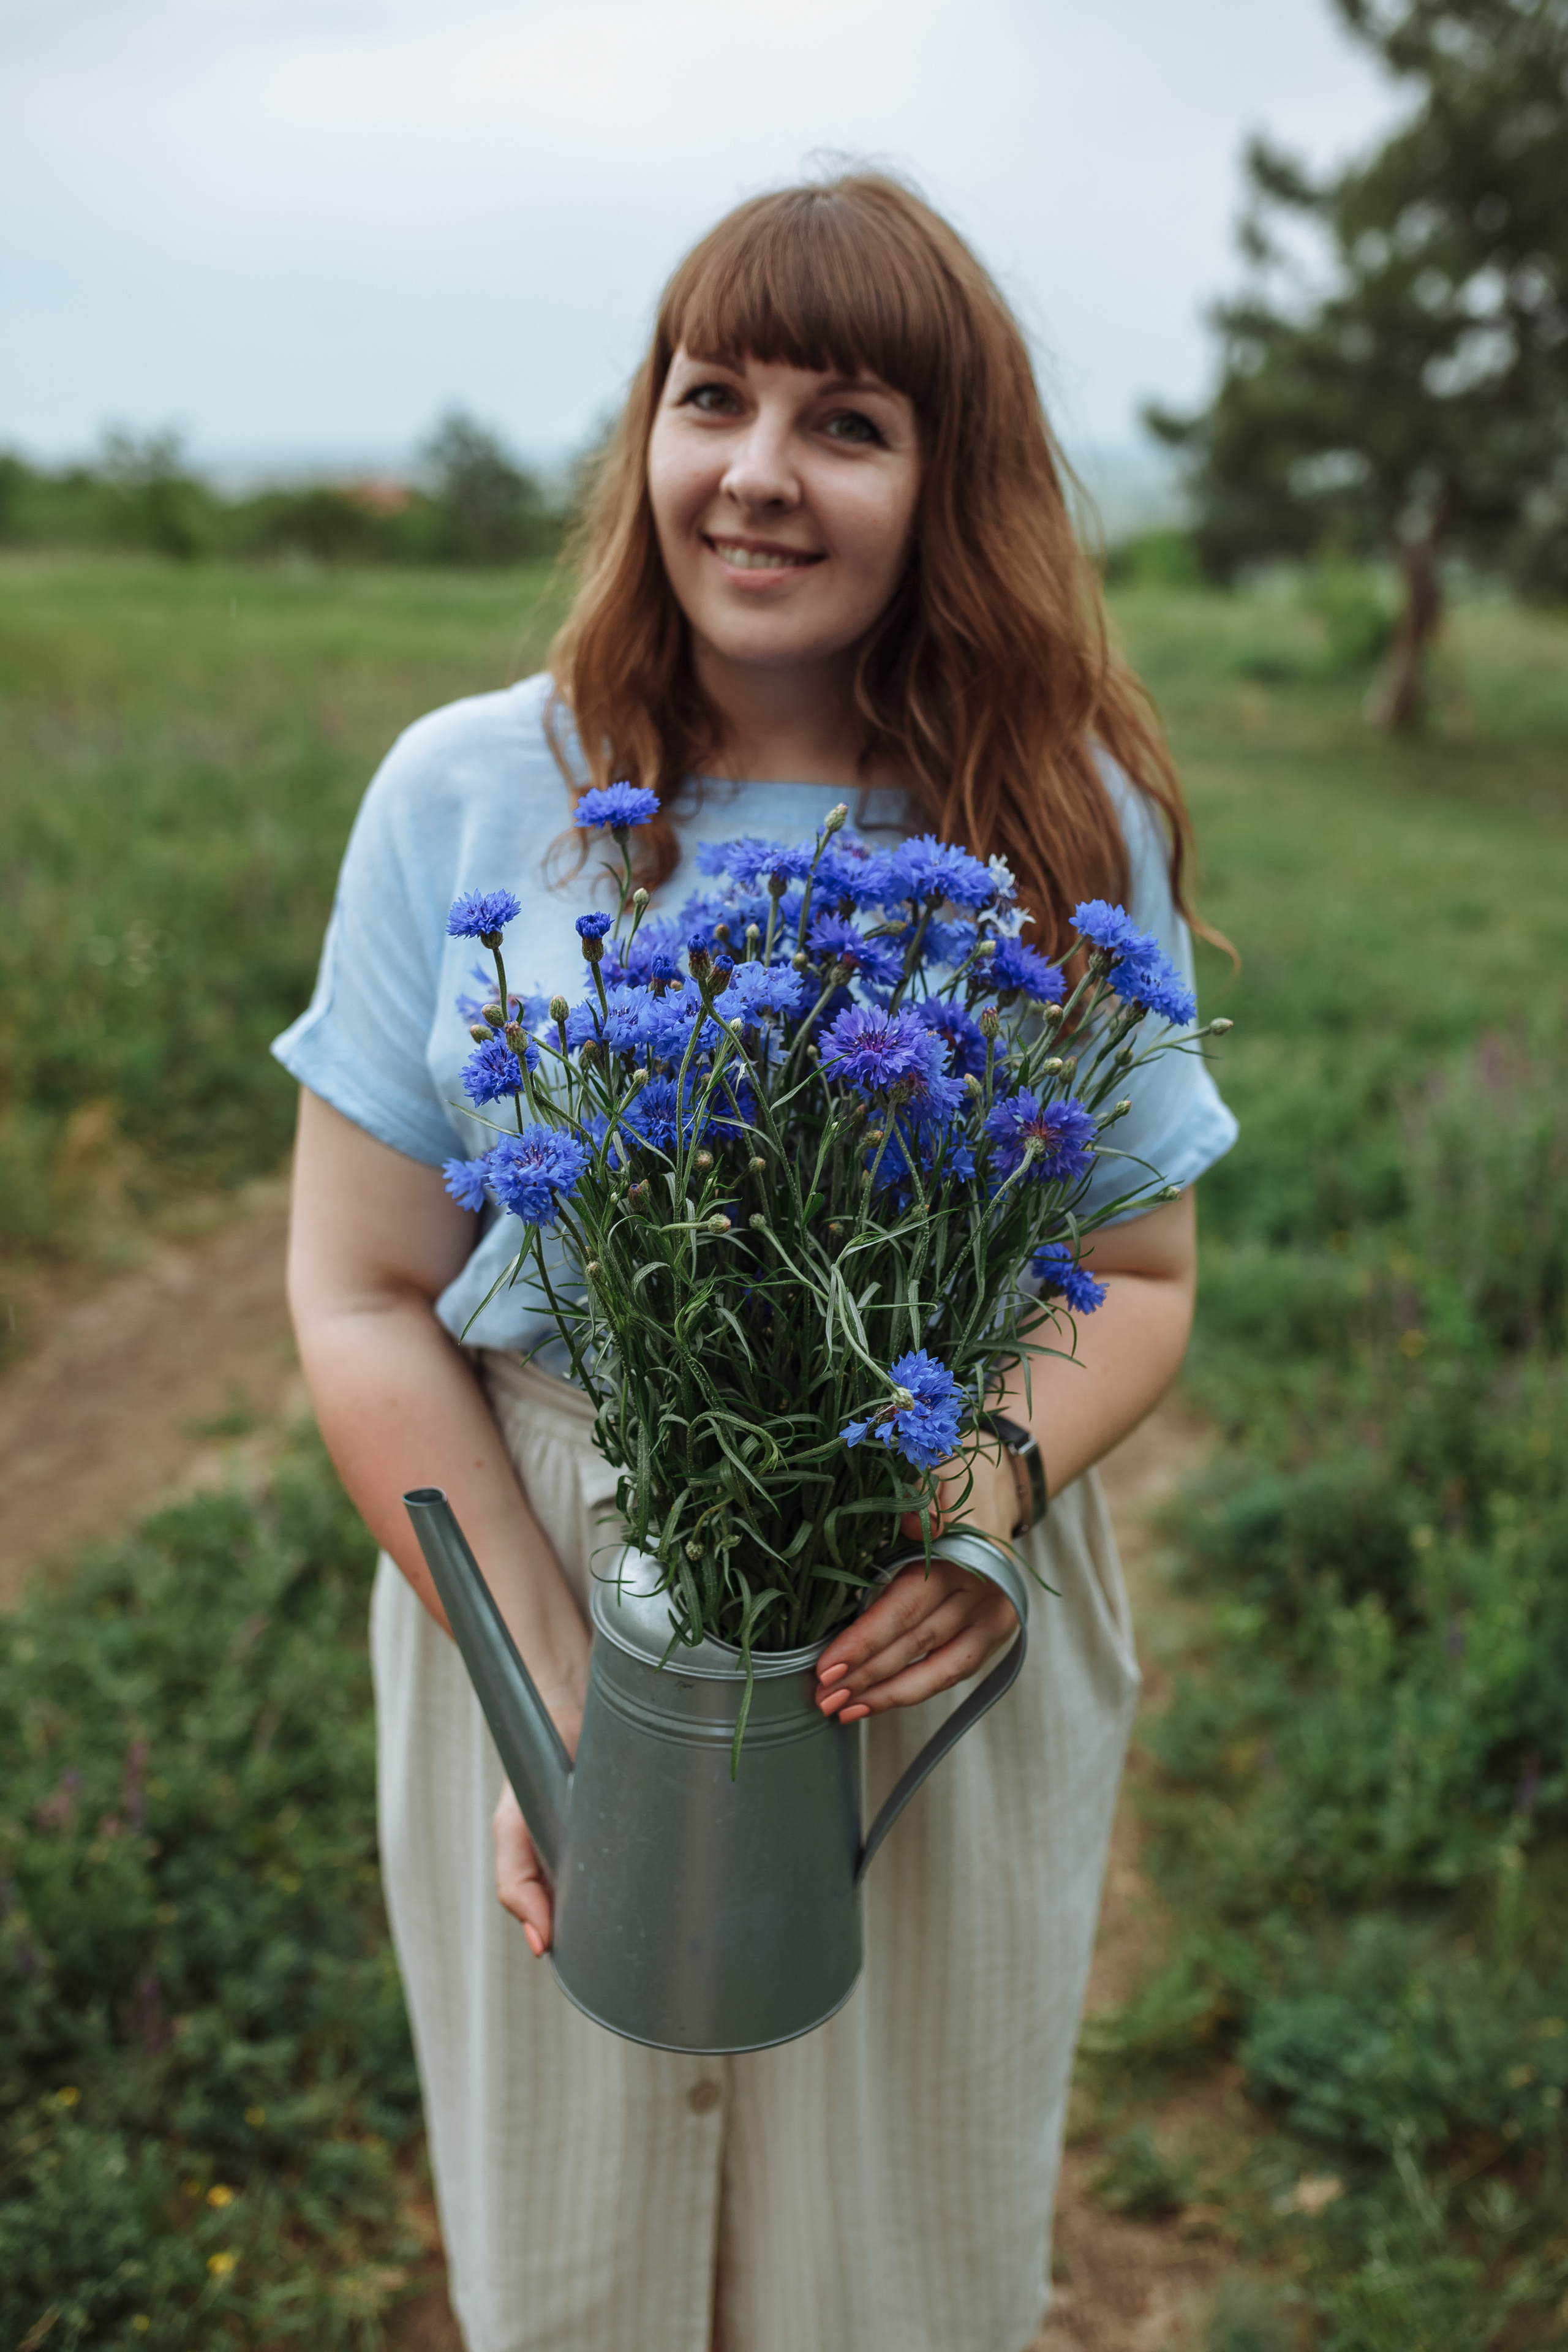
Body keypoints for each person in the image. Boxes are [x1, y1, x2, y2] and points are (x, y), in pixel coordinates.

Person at [276, 173, 1236, 2352]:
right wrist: (551, 1696)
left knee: (892, 2265)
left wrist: (973, 1501)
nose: (758, 473)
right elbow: (359, 1295)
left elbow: (1141, 1274)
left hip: (917, 1593)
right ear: (648, 431)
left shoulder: (1056, 816)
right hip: (536, 1548)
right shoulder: (468, 794)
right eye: (712, 398)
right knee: (576, 2258)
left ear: (951, 482)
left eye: (849, 423)